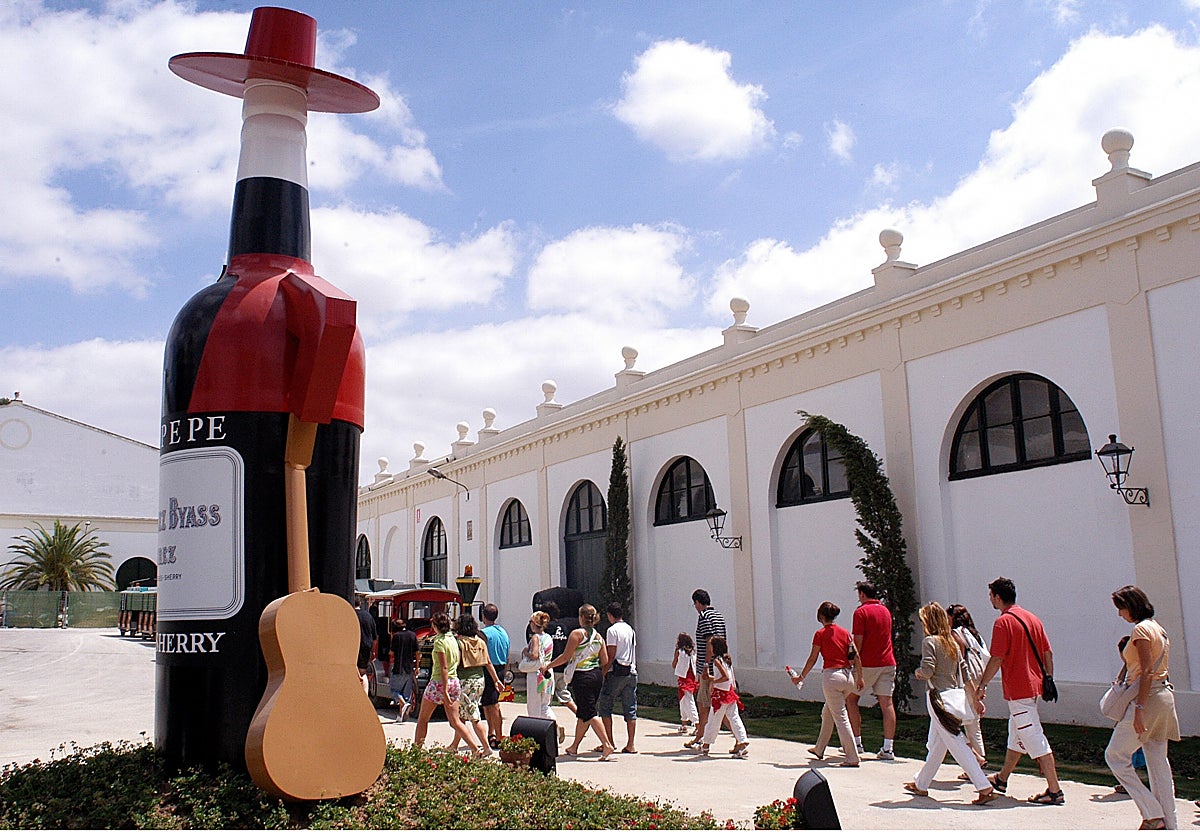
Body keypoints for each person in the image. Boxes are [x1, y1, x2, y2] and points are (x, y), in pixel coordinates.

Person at [975, 577, 1064, 805]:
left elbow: (997, 658)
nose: (990, 600)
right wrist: (1049, 678)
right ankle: (1002, 778)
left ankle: (1054, 790)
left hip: (1019, 689)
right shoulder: (1032, 618)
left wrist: (982, 684)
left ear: (997, 596)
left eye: (991, 596)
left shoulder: (1003, 622)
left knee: (1034, 738)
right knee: (1017, 736)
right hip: (1034, 687)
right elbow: (1048, 653)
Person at [904, 602, 998, 805]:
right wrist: (975, 700)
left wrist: (918, 673)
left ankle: (984, 787)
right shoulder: (953, 642)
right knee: (940, 744)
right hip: (956, 696)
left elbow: (927, 670)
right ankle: (921, 783)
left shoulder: (930, 641)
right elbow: (965, 675)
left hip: (939, 698)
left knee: (955, 742)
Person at [1104, 585, 1180, 830]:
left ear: (1131, 606)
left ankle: (1153, 813)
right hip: (1163, 697)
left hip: (1147, 699)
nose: (1120, 614)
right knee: (1158, 765)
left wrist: (1138, 708)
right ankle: (1170, 824)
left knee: (1115, 756)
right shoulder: (1159, 629)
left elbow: (1146, 671)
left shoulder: (1141, 630)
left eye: (1121, 608)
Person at [791, 601, 862, 767]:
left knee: (841, 717)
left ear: (821, 616)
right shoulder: (844, 633)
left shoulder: (820, 634)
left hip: (832, 677)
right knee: (828, 712)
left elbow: (813, 657)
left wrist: (801, 676)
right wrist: (860, 677)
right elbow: (855, 655)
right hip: (847, 676)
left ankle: (852, 756)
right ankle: (819, 748)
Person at [546, 603, 615, 760]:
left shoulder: (576, 634)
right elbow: (604, 660)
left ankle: (607, 744)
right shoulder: (599, 636)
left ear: (582, 617)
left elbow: (565, 656)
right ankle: (574, 746)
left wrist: (548, 665)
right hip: (596, 675)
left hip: (582, 676)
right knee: (583, 712)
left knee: (590, 712)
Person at [413, 611, 483, 756]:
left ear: (435, 625)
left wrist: (443, 690)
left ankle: (417, 750)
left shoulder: (439, 642)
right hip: (454, 681)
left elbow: (443, 667)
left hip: (439, 682)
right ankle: (475, 748)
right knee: (455, 721)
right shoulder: (453, 639)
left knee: (423, 719)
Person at [848, 581, 897, 760]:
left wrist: (853, 660)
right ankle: (888, 748)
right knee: (887, 704)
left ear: (862, 594)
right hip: (888, 661)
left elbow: (858, 640)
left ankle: (857, 743)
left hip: (867, 663)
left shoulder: (860, 612)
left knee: (851, 699)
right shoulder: (885, 611)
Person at [447, 612, 501, 756]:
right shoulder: (480, 642)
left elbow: (454, 663)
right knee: (464, 714)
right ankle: (454, 745)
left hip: (465, 680)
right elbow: (488, 662)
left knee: (474, 716)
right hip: (480, 680)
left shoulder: (458, 643)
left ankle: (485, 746)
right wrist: (496, 680)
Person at [948, 603, 989, 769]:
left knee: (950, 723)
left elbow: (958, 661)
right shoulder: (974, 634)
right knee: (974, 725)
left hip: (966, 680)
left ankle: (976, 760)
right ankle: (978, 761)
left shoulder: (955, 635)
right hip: (978, 676)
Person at [687, 589, 727, 748]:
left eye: (694, 604)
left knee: (705, 703)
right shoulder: (719, 616)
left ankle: (701, 736)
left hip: (709, 666)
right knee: (718, 704)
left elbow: (709, 641)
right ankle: (701, 735)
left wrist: (705, 666)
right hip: (721, 663)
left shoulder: (704, 617)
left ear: (698, 602)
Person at [697, 637, 749, 758]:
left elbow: (725, 677)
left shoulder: (717, 661)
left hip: (721, 696)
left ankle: (706, 745)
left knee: (714, 719)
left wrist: (713, 681)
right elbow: (730, 677)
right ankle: (742, 740)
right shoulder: (727, 660)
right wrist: (710, 678)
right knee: (734, 717)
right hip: (729, 693)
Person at [598, 602, 638, 754]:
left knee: (606, 705)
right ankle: (631, 744)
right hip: (631, 670)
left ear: (610, 615)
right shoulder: (630, 629)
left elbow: (611, 653)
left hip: (617, 672)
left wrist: (603, 671)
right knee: (630, 708)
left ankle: (609, 742)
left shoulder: (612, 631)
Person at [479, 603, 510, 749]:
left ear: (483, 616)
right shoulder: (503, 632)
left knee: (494, 705)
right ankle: (491, 732)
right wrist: (505, 674)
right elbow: (508, 654)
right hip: (502, 668)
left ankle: (499, 736)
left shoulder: (483, 633)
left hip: (489, 668)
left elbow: (484, 657)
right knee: (487, 704)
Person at [544, 600, 579, 715]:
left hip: (550, 666)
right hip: (563, 666)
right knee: (564, 694)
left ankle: (549, 723)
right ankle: (581, 715)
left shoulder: (546, 628)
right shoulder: (564, 627)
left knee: (546, 697)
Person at [522, 610, 555, 720]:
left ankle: (536, 729)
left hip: (536, 675)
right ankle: (553, 725)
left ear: (533, 623)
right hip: (548, 672)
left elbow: (535, 655)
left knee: (534, 707)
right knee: (545, 706)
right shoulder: (549, 638)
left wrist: (526, 652)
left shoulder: (535, 637)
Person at [387, 617, 418, 723]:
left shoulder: (396, 637)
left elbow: (391, 653)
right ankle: (401, 716)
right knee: (406, 693)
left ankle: (404, 705)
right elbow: (417, 653)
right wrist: (417, 666)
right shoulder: (413, 635)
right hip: (409, 668)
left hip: (398, 667)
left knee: (394, 690)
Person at [672, 632, 699, 734]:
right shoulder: (693, 652)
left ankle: (697, 723)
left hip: (684, 678)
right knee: (683, 700)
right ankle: (683, 724)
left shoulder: (679, 651)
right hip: (692, 677)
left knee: (688, 700)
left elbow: (674, 664)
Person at [354, 596, 377, 678]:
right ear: (360, 603)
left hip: (351, 648)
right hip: (365, 647)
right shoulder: (368, 616)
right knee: (362, 673)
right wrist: (373, 651)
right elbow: (374, 638)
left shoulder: (349, 615)